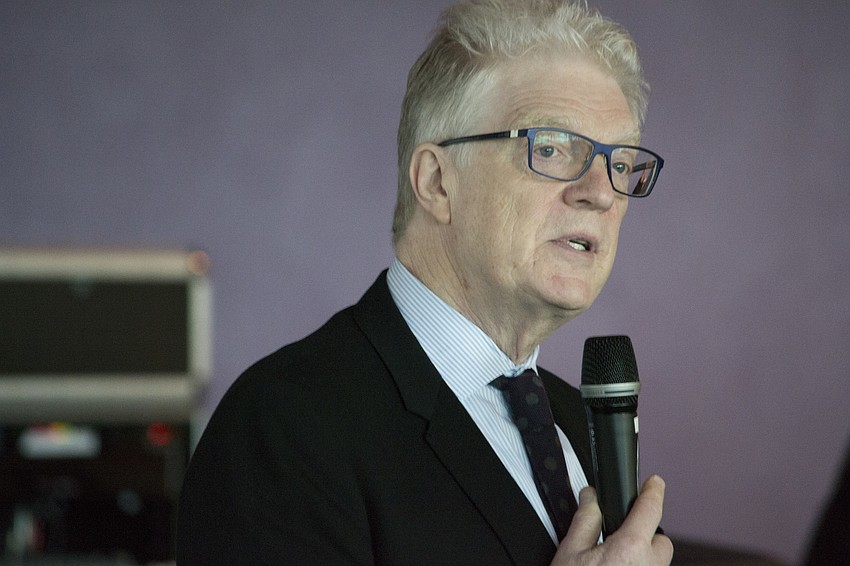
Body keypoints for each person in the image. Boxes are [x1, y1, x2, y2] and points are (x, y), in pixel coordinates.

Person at [177, 1, 671, 564]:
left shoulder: (574, 421)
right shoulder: (283, 427)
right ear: (437, 182)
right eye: (553, 148)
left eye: (621, 163)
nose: (601, 193)